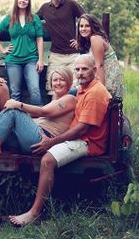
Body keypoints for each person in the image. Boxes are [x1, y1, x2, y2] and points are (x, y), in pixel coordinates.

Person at [8, 54, 112, 226]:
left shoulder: (95, 93)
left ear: (94, 70)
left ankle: (34, 213)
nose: (80, 73)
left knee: (47, 160)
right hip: (80, 136)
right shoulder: (84, 88)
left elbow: (82, 129)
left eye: (84, 69)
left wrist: (52, 142)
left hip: (89, 142)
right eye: (77, 69)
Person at [0, 0, 44, 105]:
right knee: (15, 92)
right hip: (13, 60)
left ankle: (39, 118)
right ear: (17, 0)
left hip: (31, 59)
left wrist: (41, 59)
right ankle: (16, 118)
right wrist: (2, 49)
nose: (23, 1)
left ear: (29, 2)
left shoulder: (34, 18)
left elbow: (39, 38)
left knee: (35, 90)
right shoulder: (9, 18)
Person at [37, 0, 85, 92]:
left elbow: (86, 19)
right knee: (53, 89)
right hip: (56, 55)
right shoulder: (44, 8)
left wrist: (79, 39)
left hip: (73, 54)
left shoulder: (71, 4)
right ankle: (53, 109)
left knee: (75, 89)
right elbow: (31, 20)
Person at [77, 13, 124, 98]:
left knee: (72, 93)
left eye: (87, 26)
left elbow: (100, 65)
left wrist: (101, 91)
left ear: (93, 27)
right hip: (102, 81)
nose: (83, 29)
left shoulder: (95, 38)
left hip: (108, 83)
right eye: (81, 26)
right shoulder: (92, 39)